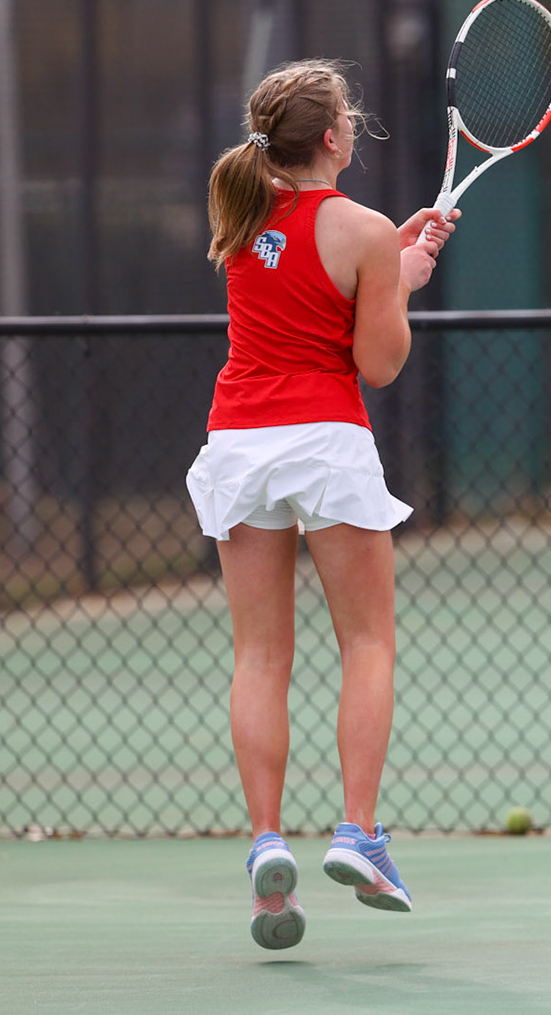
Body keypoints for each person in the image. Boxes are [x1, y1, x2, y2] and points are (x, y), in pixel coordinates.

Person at [185, 60, 455, 951]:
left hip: (237, 444)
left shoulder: (239, 213)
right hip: (324, 440)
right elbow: (377, 362)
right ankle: (359, 834)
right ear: (335, 138)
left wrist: (395, 265)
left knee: (261, 655)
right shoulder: (366, 231)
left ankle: (269, 853)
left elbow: (307, 282)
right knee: (367, 642)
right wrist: (397, 271)